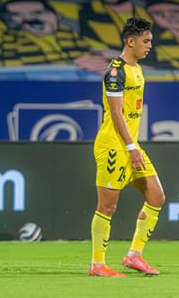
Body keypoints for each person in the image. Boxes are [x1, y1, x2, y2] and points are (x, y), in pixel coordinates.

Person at [89, 17, 165, 277]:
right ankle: (97, 264)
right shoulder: (116, 71)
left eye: (151, 41)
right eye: (145, 41)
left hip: (131, 146)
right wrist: (132, 148)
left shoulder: (137, 69)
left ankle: (134, 255)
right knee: (107, 207)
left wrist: (134, 147)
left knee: (156, 196)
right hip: (114, 146)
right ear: (130, 41)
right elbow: (117, 114)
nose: (149, 46)